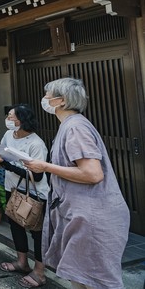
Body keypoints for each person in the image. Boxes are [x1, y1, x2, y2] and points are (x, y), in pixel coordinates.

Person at [23, 78, 129, 289]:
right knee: (80, 278)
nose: (44, 99)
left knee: (94, 281)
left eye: (48, 95)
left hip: (93, 218)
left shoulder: (75, 128)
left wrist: (45, 166)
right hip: (81, 215)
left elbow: (92, 173)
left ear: (61, 101)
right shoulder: (71, 125)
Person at [0, 105, 49, 288]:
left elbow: (38, 176)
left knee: (37, 232)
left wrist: (8, 166)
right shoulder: (9, 136)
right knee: (16, 225)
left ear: (22, 120)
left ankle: (39, 272)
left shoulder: (36, 144)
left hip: (33, 193)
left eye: (11, 116)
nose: (8, 119)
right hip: (13, 188)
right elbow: (2, 152)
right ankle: (22, 262)